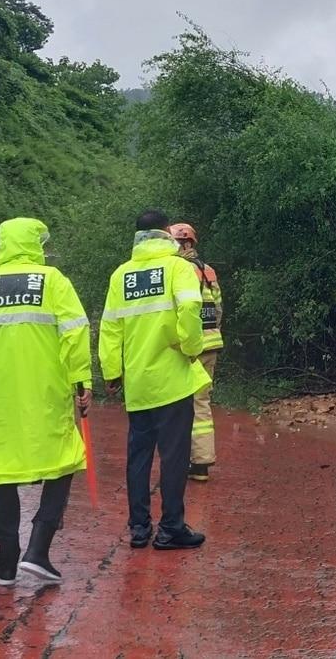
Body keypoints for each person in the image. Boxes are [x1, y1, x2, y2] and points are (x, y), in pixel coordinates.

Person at [0, 217, 92, 587]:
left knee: (2, 469)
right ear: (36, 245)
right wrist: (81, 381)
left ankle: (7, 561)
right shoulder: (54, 281)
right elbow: (76, 332)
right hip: (47, 393)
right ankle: (39, 550)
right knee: (64, 459)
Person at [99, 209, 209, 550]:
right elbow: (190, 310)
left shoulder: (122, 275)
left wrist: (112, 372)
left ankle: (139, 528)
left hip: (139, 383)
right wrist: (192, 348)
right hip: (173, 380)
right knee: (174, 457)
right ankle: (171, 528)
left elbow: (109, 327)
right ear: (166, 233)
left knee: (139, 457)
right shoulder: (178, 268)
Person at [168, 223, 224, 482]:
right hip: (212, 342)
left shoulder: (180, 270)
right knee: (202, 402)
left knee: (182, 403)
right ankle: (201, 463)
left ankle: (184, 461)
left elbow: (182, 309)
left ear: (187, 244)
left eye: (176, 244)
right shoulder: (208, 270)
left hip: (191, 346)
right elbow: (219, 308)